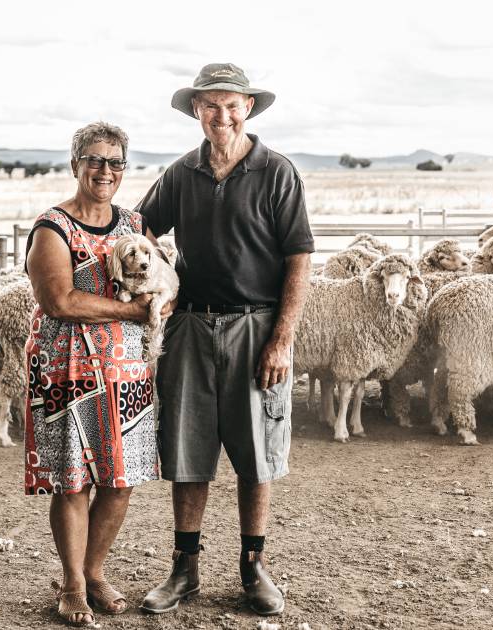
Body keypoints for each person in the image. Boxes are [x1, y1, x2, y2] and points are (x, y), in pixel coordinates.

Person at [135, 63, 314, 616]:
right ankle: (184, 569)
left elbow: (299, 257)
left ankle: (253, 567)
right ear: (196, 111)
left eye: (232, 104)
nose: (222, 115)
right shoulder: (180, 174)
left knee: (256, 451)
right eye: (210, 105)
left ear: (249, 109)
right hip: (189, 324)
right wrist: (155, 282)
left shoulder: (277, 172)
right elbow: (139, 229)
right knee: (187, 450)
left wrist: (282, 337)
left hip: (255, 325)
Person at [24, 121, 171, 626]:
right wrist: (136, 311)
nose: (104, 170)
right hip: (67, 371)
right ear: (75, 165)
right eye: (94, 159)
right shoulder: (53, 228)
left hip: (127, 370)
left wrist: (163, 303)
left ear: (124, 170)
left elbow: (157, 277)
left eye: (115, 162)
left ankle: (93, 572)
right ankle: (71, 585)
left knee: (120, 480)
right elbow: (60, 300)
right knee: (72, 483)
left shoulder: (134, 224)